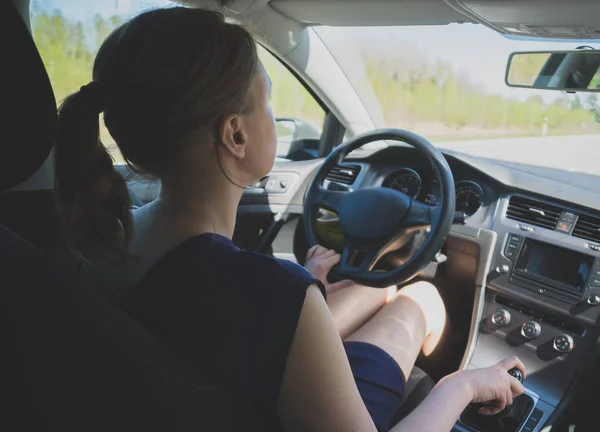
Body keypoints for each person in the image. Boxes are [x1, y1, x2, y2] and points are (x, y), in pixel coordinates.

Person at [54, 7, 526, 432]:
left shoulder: (102, 239)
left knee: (380, 286)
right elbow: (258, 309)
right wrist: (460, 387)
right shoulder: (270, 292)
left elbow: (234, 318)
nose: (274, 115)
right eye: (268, 101)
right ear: (235, 134)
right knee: (419, 297)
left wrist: (305, 285)